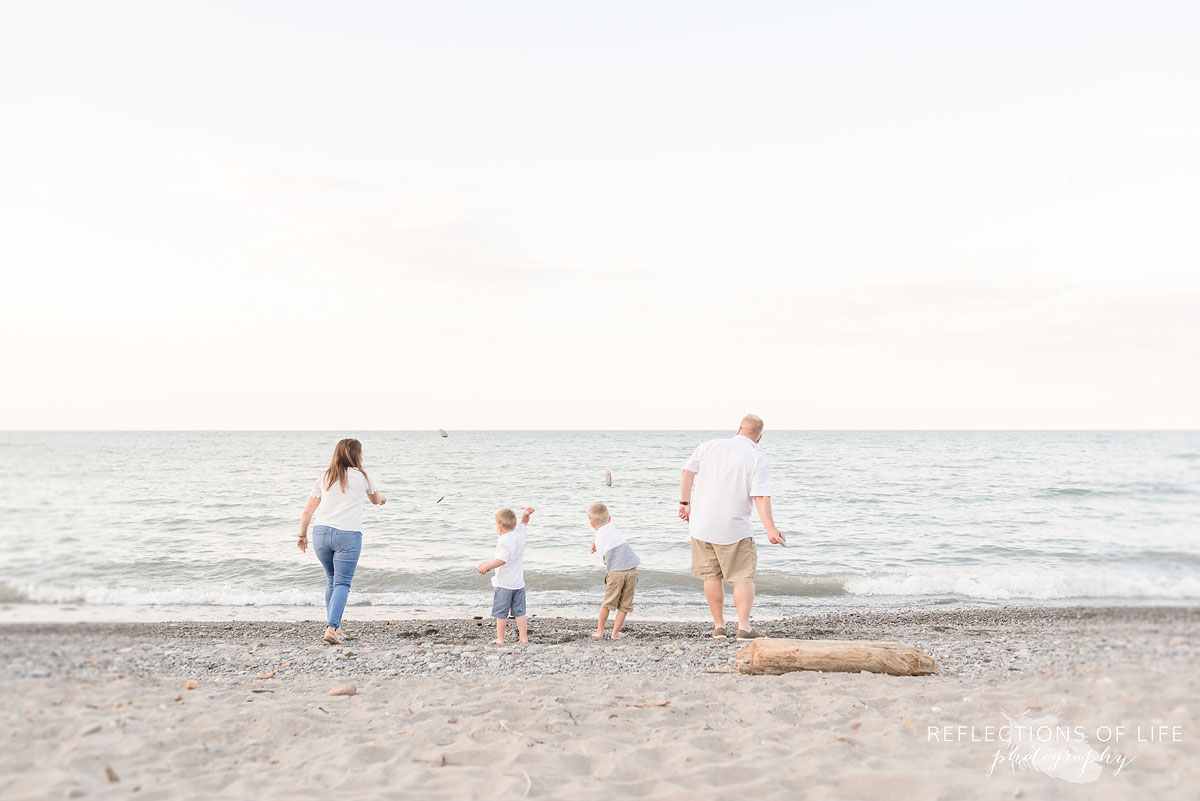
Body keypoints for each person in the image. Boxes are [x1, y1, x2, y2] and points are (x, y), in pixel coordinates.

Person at [679, 414, 785, 640]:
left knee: (711, 576)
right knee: (743, 578)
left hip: (702, 525)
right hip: (734, 529)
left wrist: (685, 504)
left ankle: (719, 626)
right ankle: (744, 627)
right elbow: (761, 497)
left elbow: (687, 472)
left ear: (739, 429)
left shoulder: (708, 446)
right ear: (759, 438)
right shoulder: (757, 459)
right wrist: (770, 529)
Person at [297, 438, 386, 645]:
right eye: (361, 453)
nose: (362, 456)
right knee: (342, 583)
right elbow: (375, 500)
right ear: (356, 455)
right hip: (348, 535)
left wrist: (302, 535)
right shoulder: (363, 477)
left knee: (331, 580)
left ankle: (335, 626)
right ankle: (331, 628)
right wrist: (383, 499)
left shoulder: (325, 476)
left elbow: (307, 510)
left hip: (321, 534)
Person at [477, 506, 534, 644]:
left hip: (504, 584)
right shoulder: (519, 533)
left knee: (501, 614)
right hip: (519, 583)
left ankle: (500, 639)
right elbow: (524, 523)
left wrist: (486, 567)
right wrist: (525, 514)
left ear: (500, 528)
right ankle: (523, 638)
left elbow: (502, 560)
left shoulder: (504, 540)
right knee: (520, 612)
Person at [587, 503, 641, 640]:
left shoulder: (599, 539)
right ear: (609, 519)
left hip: (615, 573)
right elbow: (608, 535)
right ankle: (615, 633)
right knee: (624, 605)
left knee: (607, 603)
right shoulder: (613, 528)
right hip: (632, 570)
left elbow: (605, 559)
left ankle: (600, 631)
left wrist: (594, 544)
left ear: (591, 524)